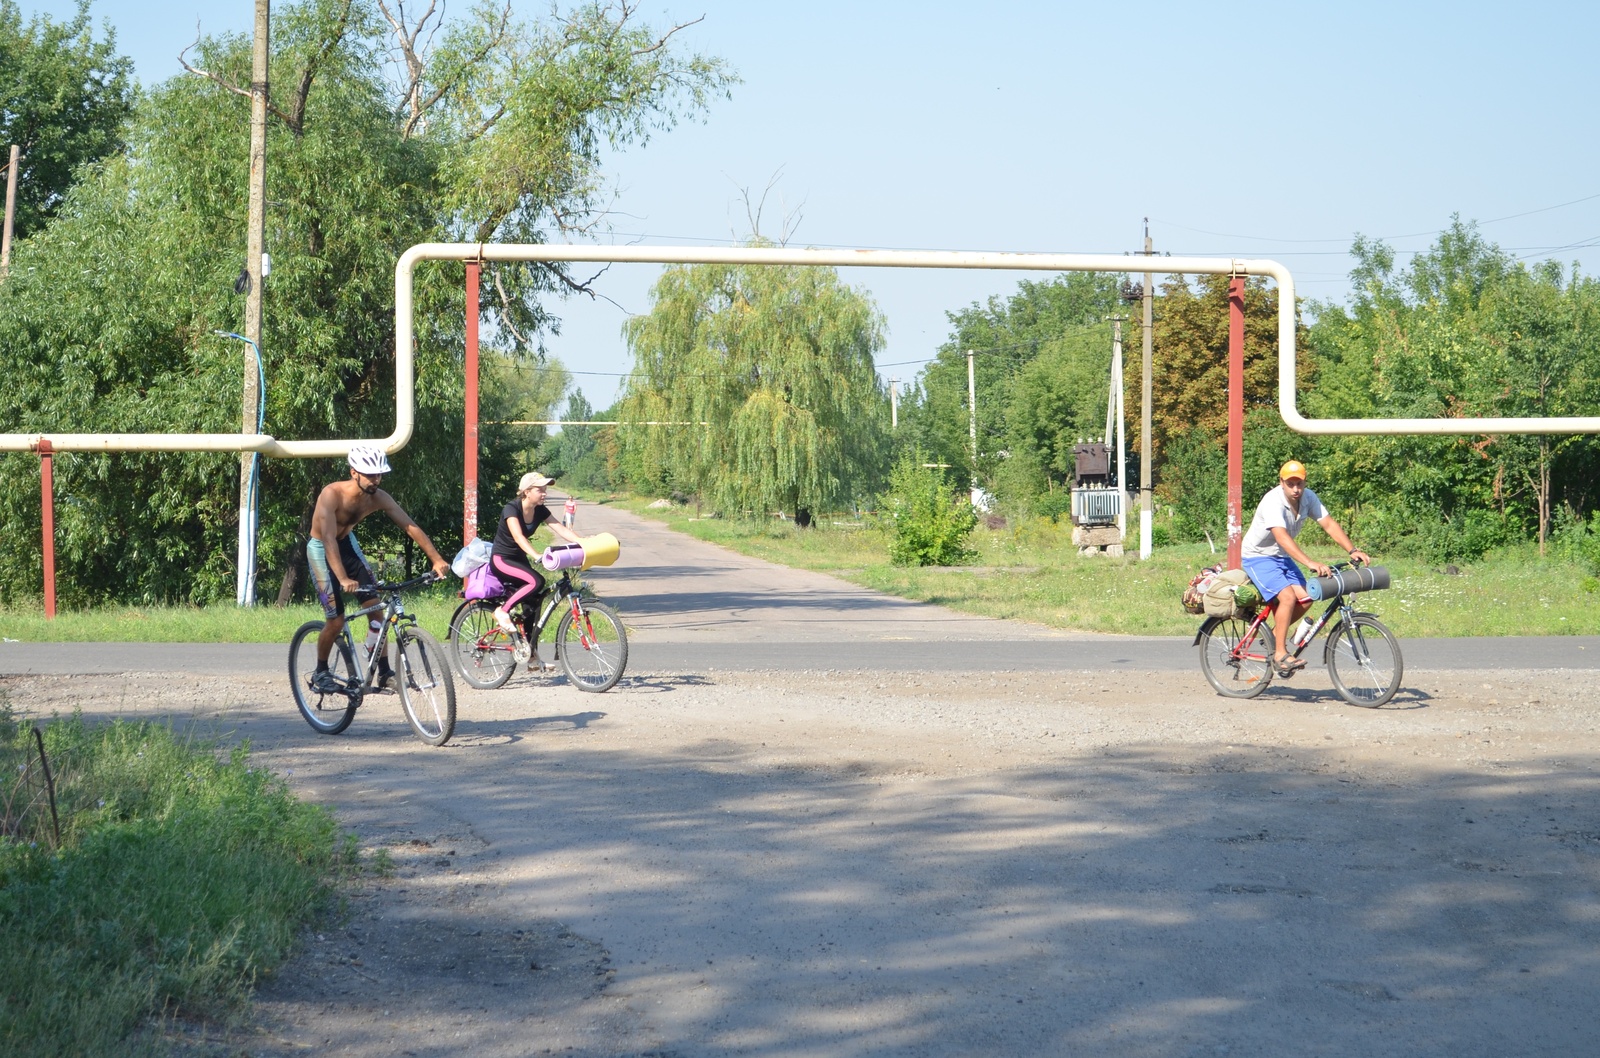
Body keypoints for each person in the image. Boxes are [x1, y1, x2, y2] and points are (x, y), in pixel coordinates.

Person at [306, 444, 452, 693]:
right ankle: (321, 671)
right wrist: (342, 578)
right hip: (321, 548)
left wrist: (436, 559)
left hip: (348, 545)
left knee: (376, 611)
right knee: (336, 620)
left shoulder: (379, 497)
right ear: (354, 472)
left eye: (379, 474)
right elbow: (329, 538)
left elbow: (410, 526)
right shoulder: (332, 494)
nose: (376, 479)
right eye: (370, 474)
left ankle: (384, 672)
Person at [1240, 460, 1371, 677]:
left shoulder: (1308, 497)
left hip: (1280, 557)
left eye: (1299, 483)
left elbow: (1328, 523)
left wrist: (1352, 549)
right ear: (1281, 482)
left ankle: (1273, 636)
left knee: (1308, 595)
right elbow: (1281, 537)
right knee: (1288, 598)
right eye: (1290, 484)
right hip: (1258, 557)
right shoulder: (1273, 501)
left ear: (1304, 482)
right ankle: (1280, 653)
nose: (1295, 489)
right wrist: (1310, 562)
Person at [491, 472, 583, 641]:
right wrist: (536, 555)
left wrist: (583, 542)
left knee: (533, 602)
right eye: (540, 490)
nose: (544, 493)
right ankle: (502, 611)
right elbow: (519, 537)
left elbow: (560, 528)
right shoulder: (511, 508)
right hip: (502, 560)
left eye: (545, 490)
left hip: (519, 560)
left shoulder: (540, 510)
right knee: (537, 581)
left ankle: (529, 651)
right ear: (526, 491)